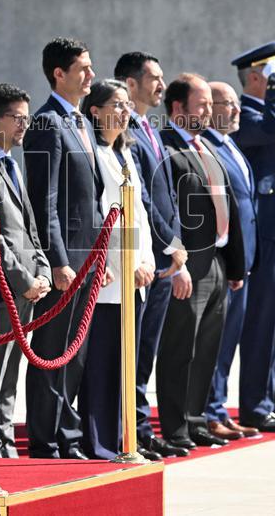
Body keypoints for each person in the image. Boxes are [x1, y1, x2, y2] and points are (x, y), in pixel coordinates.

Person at [23, 37, 105, 460]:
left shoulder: (80, 122)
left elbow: (89, 201)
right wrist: (57, 260)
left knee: (76, 354)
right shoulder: (46, 123)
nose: (91, 75)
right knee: (53, 352)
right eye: (83, 68)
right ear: (59, 73)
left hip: (87, 258)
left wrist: (99, 256)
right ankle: (46, 438)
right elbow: (45, 199)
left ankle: (67, 436)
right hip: (64, 263)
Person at [157, 73, 245, 449]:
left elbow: (231, 206)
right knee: (181, 348)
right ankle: (174, 427)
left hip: (217, 261)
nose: (209, 112)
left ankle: (196, 421)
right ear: (178, 108)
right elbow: (165, 210)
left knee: (207, 347)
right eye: (203, 104)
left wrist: (236, 265)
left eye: (211, 104)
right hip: (188, 263)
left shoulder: (206, 147)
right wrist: (176, 263)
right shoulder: (166, 149)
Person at [113, 52, 190, 460]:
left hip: (161, 257)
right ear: (130, 83)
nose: (161, 85)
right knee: (135, 350)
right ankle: (133, 430)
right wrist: (170, 244)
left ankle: (141, 426)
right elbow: (142, 199)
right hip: (149, 256)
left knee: (147, 353)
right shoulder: (130, 133)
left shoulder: (150, 129)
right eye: (154, 78)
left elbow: (165, 195)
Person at [78, 79, 157, 459]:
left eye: (128, 105)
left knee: (128, 362)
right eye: (117, 104)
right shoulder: (92, 153)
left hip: (135, 276)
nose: (126, 112)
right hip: (111, 277)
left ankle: (125, 439)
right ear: (95, 110)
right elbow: (100, 219)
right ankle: (100, 441)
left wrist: (147, 260)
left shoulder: (125, 154)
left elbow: (138, 213)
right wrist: (124, 264)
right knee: (103, 364)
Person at [230, 41, 275, 434]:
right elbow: (274, 131)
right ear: (256, 77)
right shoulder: (248, 115)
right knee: (262, 325)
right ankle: (255, 407)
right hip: (270, 231)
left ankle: (269, 400)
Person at [0, 83, 52, 458]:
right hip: (2, 288)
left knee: (12, 375)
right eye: (17, 118)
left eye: (27, 117)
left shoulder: (12, 162)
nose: (24, 125)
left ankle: (5, 443)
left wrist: (40, 270)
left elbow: (29, 229)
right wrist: (23, 281)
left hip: (27, 286)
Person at [200, 82, 261, 440]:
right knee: (214, 342)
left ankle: (218, 407)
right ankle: (209, 412)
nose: (237, 110)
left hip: (242, 260)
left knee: (228, 343)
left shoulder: (230, 145)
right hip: (220, 262)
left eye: (237, 103)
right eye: (228, 104)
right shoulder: (208, 148)